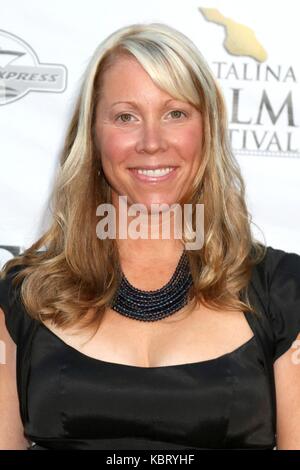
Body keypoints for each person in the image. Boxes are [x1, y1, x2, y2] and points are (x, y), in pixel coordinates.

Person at [0, 22, 300, 451]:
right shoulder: (22, 294)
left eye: (175, 113)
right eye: (126, 116)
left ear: (208, 129)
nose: (152, 142)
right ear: (93, 134)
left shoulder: (283, 289)